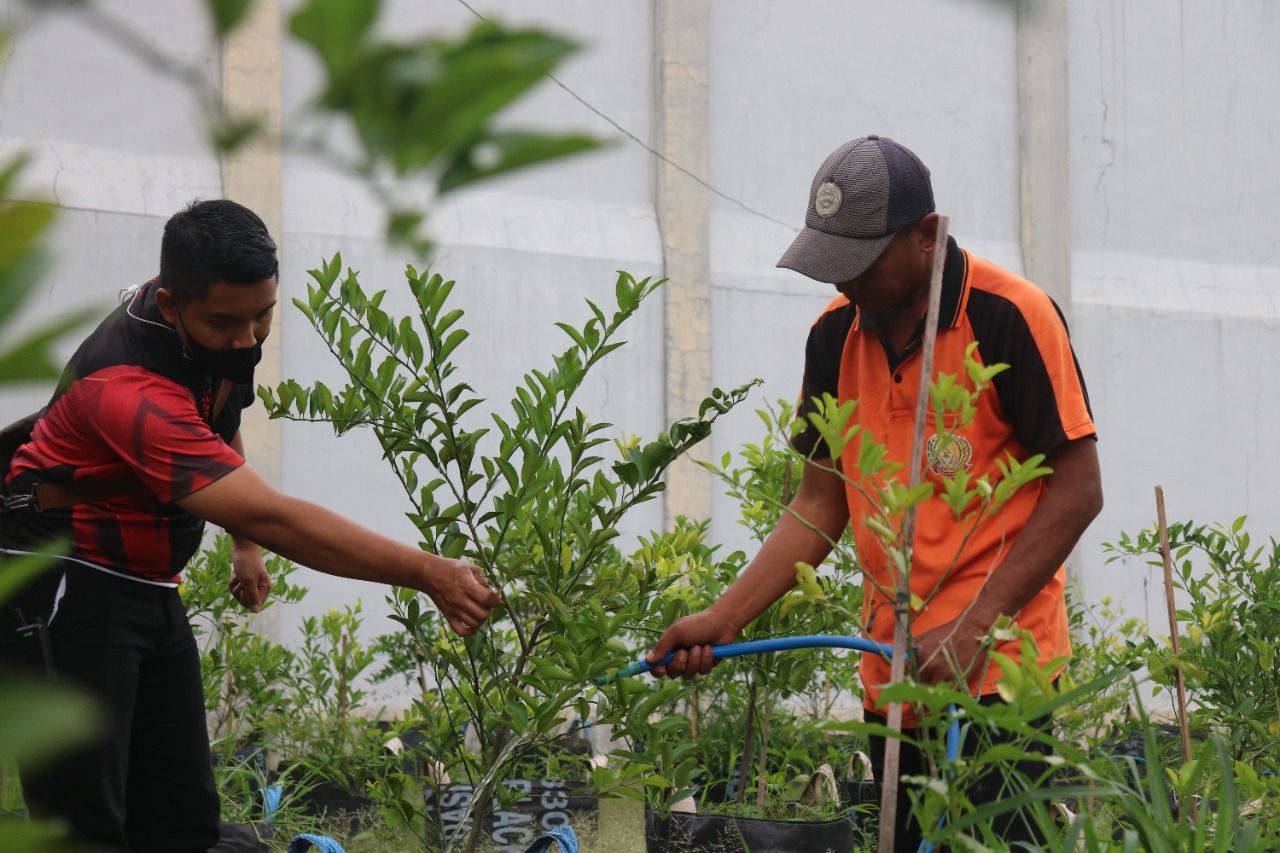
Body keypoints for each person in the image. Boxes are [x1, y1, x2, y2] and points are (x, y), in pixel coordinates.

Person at [0, 199, 502, 851]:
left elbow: (222, 418)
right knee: (85, 828)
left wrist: (245, 549)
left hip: (148, 581)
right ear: (173, 304)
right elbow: (268, 509)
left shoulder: (215, 335)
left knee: (183, 820)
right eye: (226, 321)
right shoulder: (126, 387)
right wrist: (427, 571)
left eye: (262, 314)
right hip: (65, 581)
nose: (247, 337)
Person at [646, 136, 1103, 850]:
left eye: (858, 263)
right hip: (890, 671)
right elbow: (821, 503)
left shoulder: (1011, 315)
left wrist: (978, 624)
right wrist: (725, 614)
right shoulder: (834, 337)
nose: (841, 285)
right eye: (830, 265)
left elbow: (1078, 489)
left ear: (926, 237)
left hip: (1000, 676)